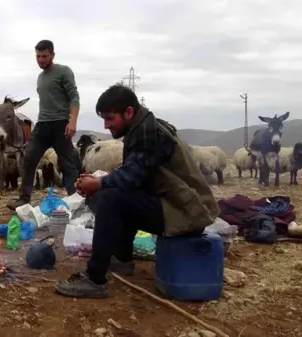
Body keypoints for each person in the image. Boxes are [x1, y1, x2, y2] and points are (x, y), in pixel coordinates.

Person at [54, 84, 219, 298]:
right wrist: (99, 180)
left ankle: (95, 279)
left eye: (110, 118)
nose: (106, 125)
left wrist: (98, 184)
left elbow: (130, 178)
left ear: (129, 112)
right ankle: (121, 259)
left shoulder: (149, 134)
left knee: (109, 198)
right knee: (116, 194)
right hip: (176, 205)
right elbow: (136, 174)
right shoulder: (143, 127)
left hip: (186, 213)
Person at [7, 39, 81, 211]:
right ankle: (24, 199)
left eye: (44, 56)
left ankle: (75, 202)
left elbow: (74, 97)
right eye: (38, 56)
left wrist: (73, 121)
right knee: (29, 158)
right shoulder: (40, 77)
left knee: (67, 164)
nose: (40, 60)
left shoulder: (64, 71)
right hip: (42, 124)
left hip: (61, 124)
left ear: (52, 55)